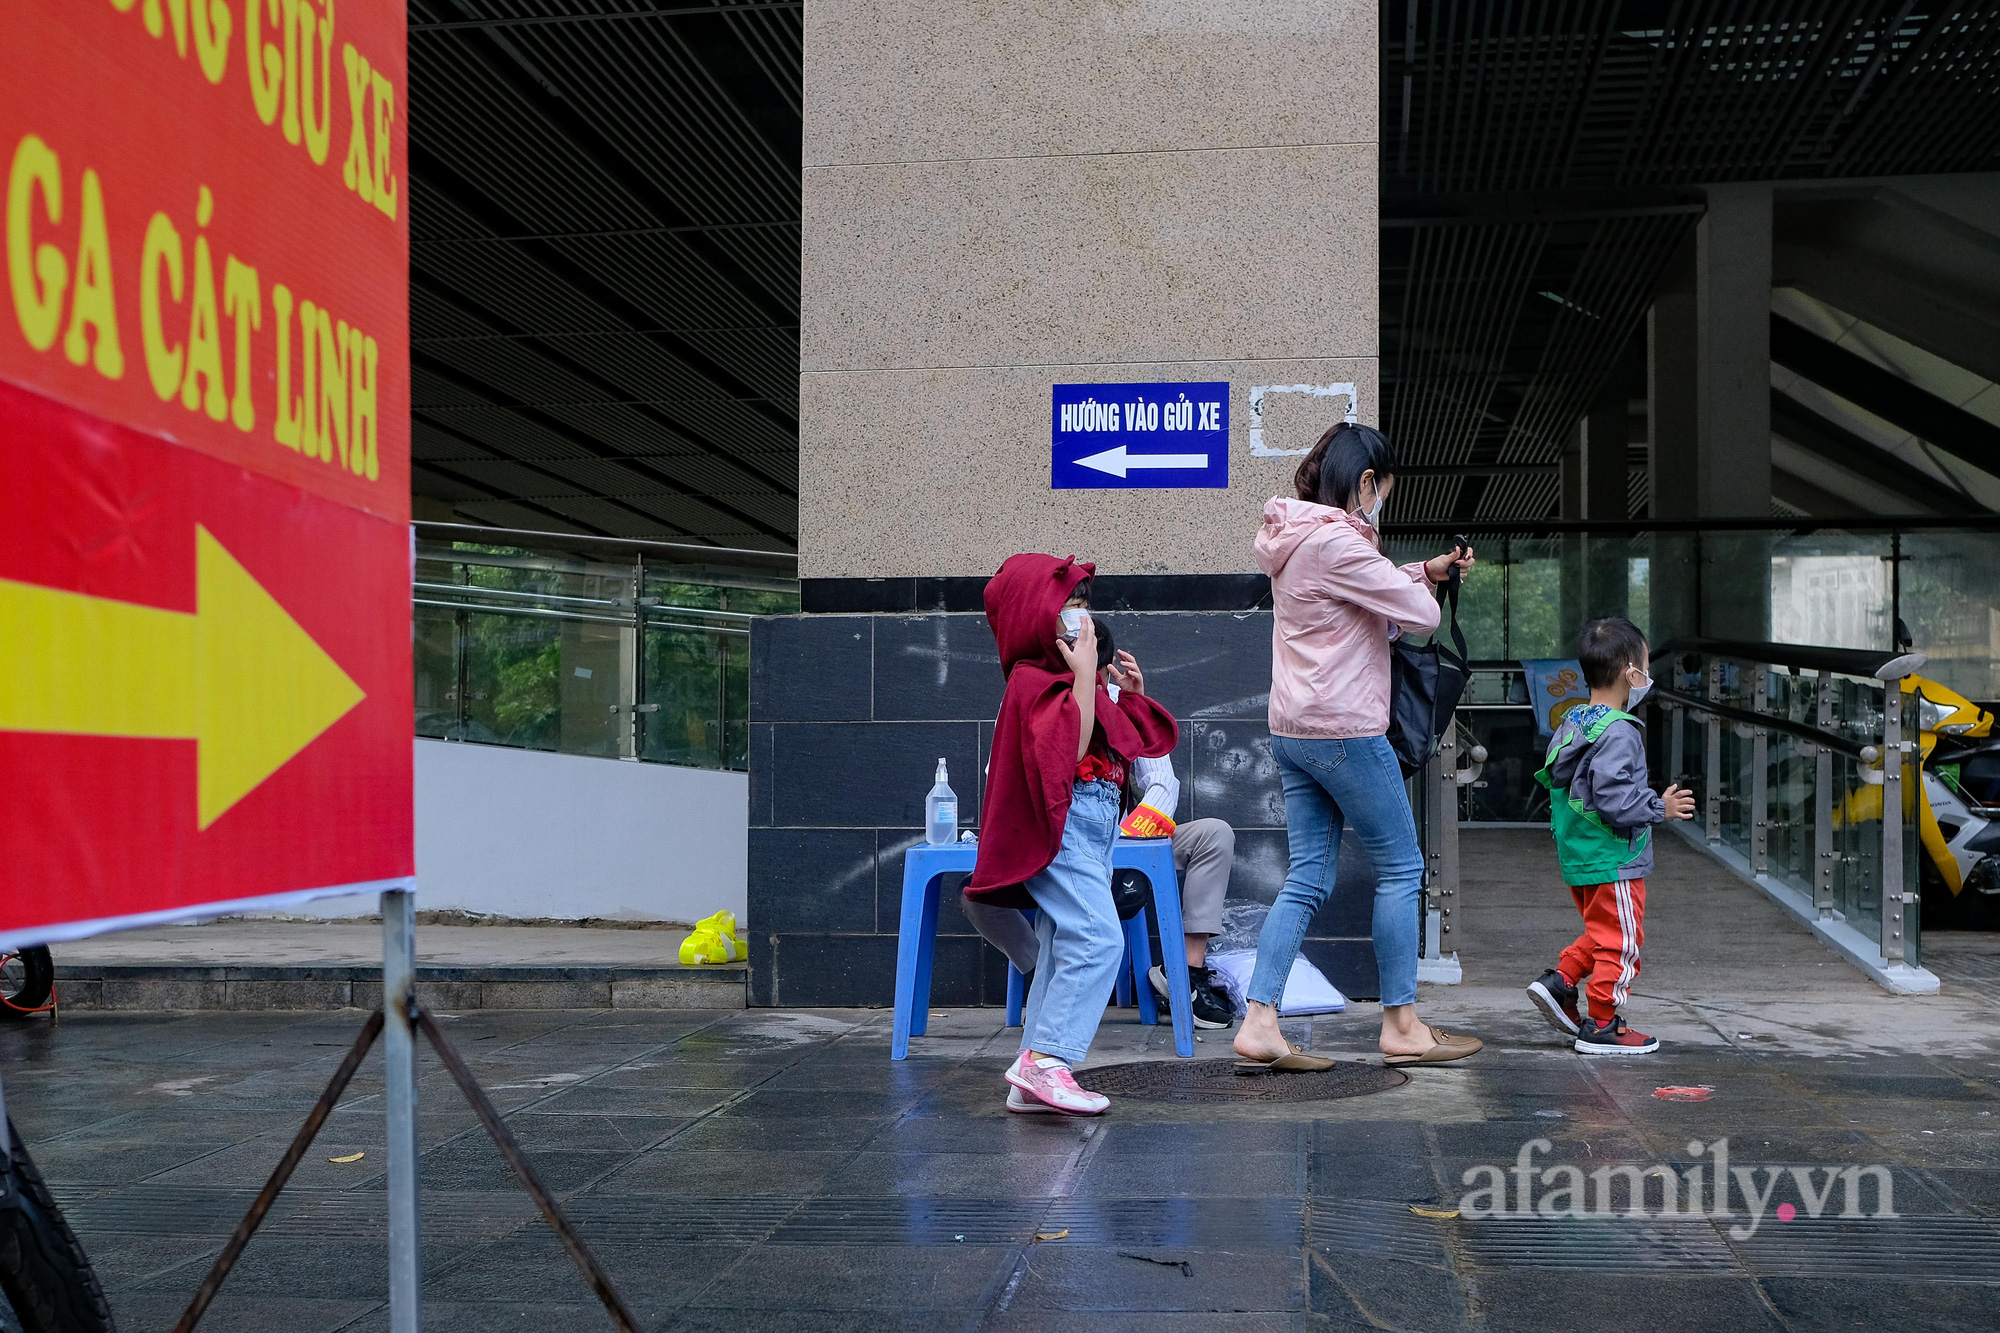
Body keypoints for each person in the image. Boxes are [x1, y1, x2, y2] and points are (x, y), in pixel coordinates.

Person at [1236, 421, 1483, 1072]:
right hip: (1345, 731)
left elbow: (1366, 593)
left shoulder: (1298, 539)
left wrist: (1420, 571)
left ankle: (1261, 1019)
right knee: (1402, 867)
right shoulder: (1339, 544)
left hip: (1294, 731)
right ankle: (1402, 1022)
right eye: (1384, 494)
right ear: (1366, 482)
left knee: (1308, 875)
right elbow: (1421, 616)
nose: (1381, 507)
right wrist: (1421, 584)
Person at [967, 554, 1177, 1115]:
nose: (1082, 619)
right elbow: (1069, 745)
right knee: (1098, 939)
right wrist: (1086, 676)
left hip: (1093, 834)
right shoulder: (1033, 680)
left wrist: (1127, 692)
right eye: (1071, 606)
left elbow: (1128, 743)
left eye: (1086, 606)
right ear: (1037, 614)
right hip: (1064, 830)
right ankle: (1048, 1062)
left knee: (1063, 950)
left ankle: (1028, 1076)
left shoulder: (1067, 680)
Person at [964, 619, 1238, 1030]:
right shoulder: (1037, 697)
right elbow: (1003, 776)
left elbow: (1163, 783)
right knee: (975, 894)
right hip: (1054, 842)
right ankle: (1041, 968)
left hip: (1124, 838)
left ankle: (1186, 972)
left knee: (1214, 833)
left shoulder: (1119, 701)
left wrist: (1123, 835)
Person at [1526, 616, 1696, 1055]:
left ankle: (1562, 981)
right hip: (1614, 856)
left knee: (1605, 931)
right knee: (1623, 941)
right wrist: (1661, 807)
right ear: (1629, 672)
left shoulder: (1576, 720)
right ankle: (1603, 1024)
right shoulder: (1620, 731)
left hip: (1583, 855)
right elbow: (1614, 797)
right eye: (1644, 663)